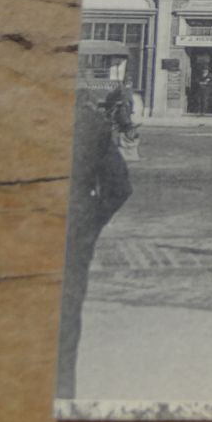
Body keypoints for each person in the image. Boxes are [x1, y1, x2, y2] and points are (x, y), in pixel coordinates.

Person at [57, 55, 138, 399]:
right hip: (73, 229)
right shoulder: (89, 123)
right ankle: (61, 395)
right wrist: (89, 223)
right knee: (65, 317)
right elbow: (119, 187)